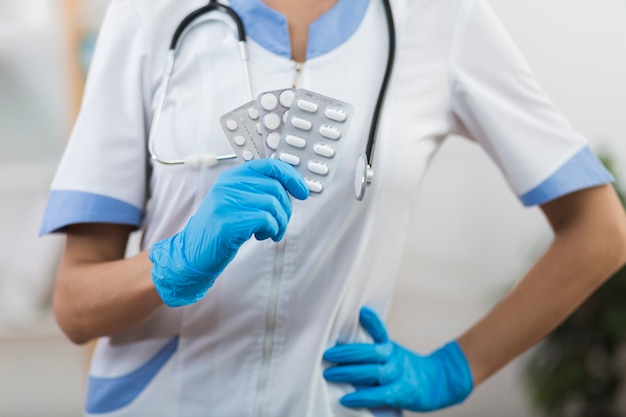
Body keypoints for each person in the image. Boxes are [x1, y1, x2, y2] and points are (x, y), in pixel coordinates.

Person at [40, 0, 626, 416]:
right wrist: (169, 264)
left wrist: (453, 367)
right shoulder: (150, 14)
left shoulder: (441, 20)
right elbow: (74, 306)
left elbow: (602, 230)